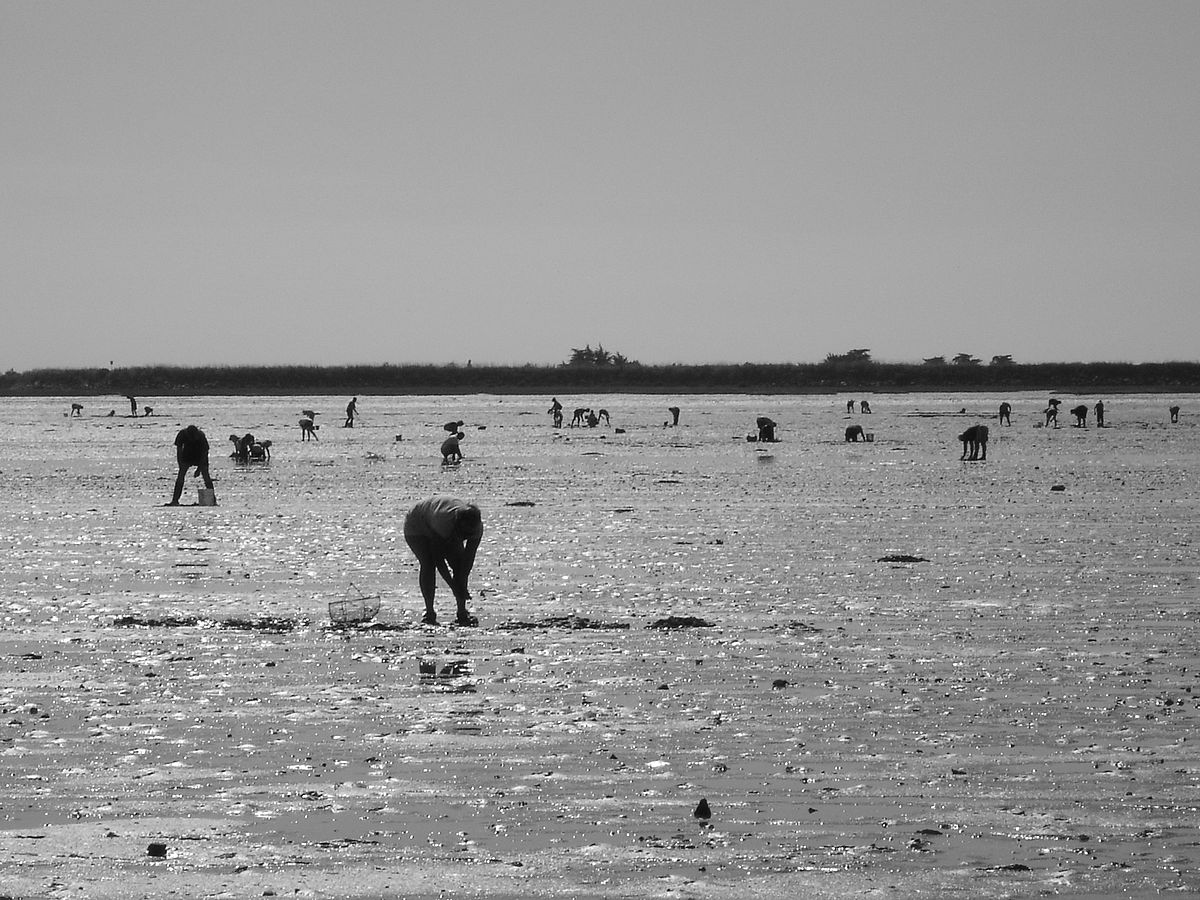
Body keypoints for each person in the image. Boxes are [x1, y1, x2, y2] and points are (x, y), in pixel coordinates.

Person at [403, 497, 484, 626]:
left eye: (468, 534)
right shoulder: (443, 522)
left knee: (459, 565)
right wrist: (454, 586)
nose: (465, 536)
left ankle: (462, 612)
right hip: (417, 523)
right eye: (463, 533)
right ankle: (429, 613)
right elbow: (438, 560)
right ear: (457, 523)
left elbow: (467, 560)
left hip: (439, 521)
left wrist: (461, 585)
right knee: (428, 563)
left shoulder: (477, 528)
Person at [169, 425, 214, 505]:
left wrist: (199, 469)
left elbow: (205, 453)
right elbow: (179, 451)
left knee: (206, 476)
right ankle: (175, 500)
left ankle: (212, 500)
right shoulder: (182, 434)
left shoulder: (201, 436)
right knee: (180, 476)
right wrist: (180, 465)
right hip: (187, 455)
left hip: (200, 455)